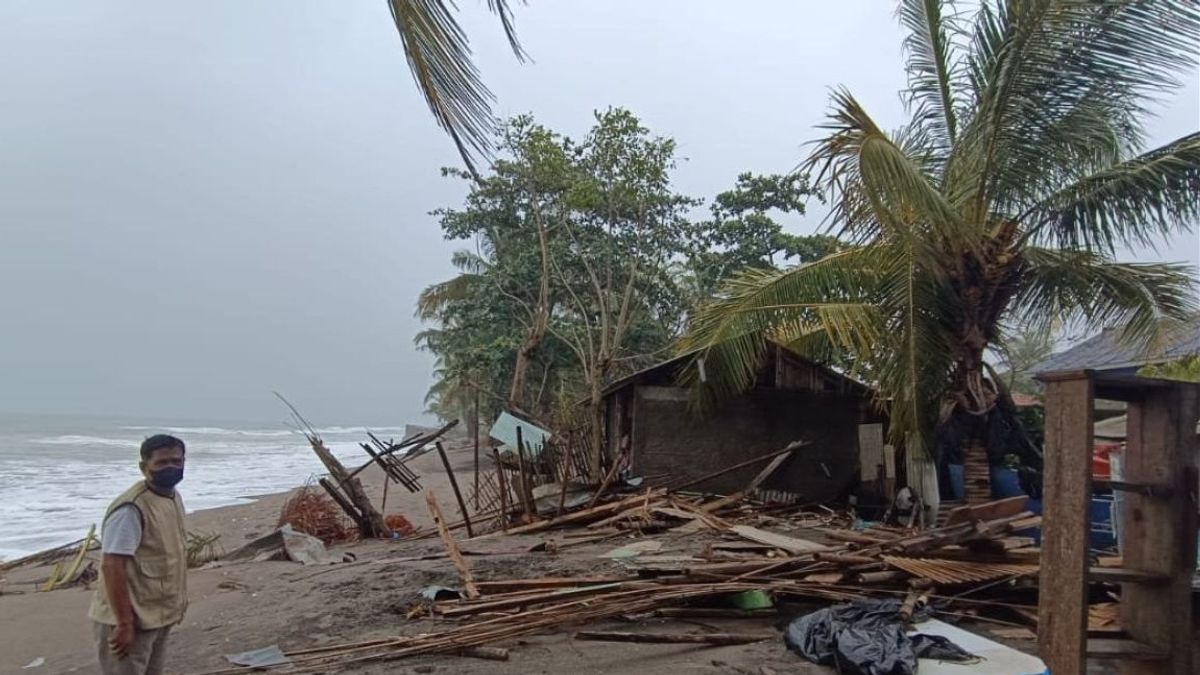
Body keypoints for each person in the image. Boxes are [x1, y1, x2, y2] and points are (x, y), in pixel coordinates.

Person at [89, 434, 189, 675]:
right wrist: (124, 623)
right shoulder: (131, 508)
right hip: (128, 619)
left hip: (157, 614)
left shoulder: (172, 497)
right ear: (145, 468)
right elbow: (112, 566)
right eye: (162, 463)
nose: (171, 467)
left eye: (177, 461)